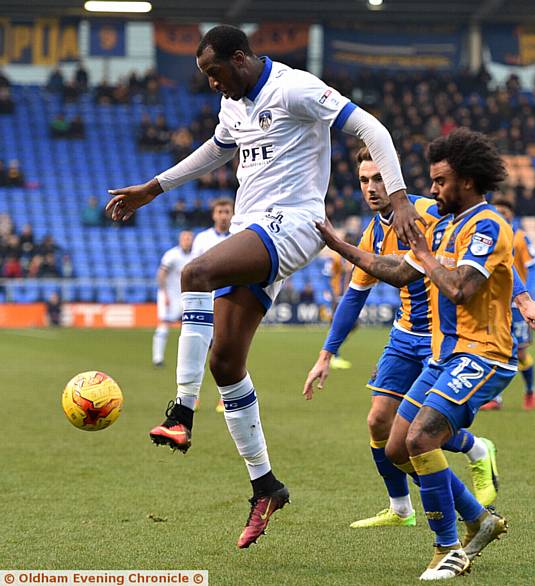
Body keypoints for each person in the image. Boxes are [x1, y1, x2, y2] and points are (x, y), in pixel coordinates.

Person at [105, 24, 423, 549]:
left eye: (215, 72)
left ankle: (181, 413)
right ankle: (266, 486)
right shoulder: (234, 104)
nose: (211, 83)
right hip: (254, 232)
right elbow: (214, 150)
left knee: (194, 272)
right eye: (205, 76)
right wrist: (152, 188)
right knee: (225, 362)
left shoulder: (295, 88)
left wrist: (401, 196)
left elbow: (375, 130)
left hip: (296, 223)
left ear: (240, 57)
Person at [314, 129, 535, 580]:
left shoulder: (487, 226)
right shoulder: (442, 226)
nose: (432, 189)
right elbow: (399, 272)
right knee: (397, 447)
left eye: (440, 181)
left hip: (484, 354)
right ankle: (480, 521)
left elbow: (461, 289)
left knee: (422, 438)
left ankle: (448, 549)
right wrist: (339, 245)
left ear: (465, 181)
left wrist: (425, 253)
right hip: (446, 355)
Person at [304, 146, 503, 532]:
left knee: (416, 432)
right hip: (403, 335)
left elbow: (487, 260)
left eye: (379, 178)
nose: (371, 187)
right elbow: (354, 296)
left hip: (441, 340)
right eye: (364, 180)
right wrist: (326, 353)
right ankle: (400, 508)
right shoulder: (372, 234)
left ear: (394, 179)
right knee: (379, 421)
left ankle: (475, 451)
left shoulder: (430, 212)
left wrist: (522, 296)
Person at [490, 198, 535, 410]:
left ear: (511, 215)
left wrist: (526, 295)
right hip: (495, 303)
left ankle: (530, 390)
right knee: (496, 349)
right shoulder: (490, 235)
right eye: (497, 210)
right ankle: (495, 398)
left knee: (519, 352)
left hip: (517, 305)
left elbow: (533, 266)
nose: (501, 214)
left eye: (505, 211)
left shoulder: (520, 238)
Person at [192, 197, 234, 413]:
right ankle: (193, 397)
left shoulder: (239, 237)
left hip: (229, 302)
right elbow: (193, 270)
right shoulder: (202, 239)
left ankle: (224, 398)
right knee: (198, 351)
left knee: (225, 352)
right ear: (213, 214)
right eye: (220, 211)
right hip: (205, 302)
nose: (224, 215)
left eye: (227, 211)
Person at [152, 231, 195, 367]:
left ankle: (186, 360)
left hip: (185, 296)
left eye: (189, 238)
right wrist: (165, 294)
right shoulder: (172, 255)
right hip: (170, 296)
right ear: (180, 239)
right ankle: (157, 358)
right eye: (185, 238)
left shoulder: (195, 256)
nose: (187, 240)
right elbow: (161, 274)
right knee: (164, 325)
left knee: (188, 328)